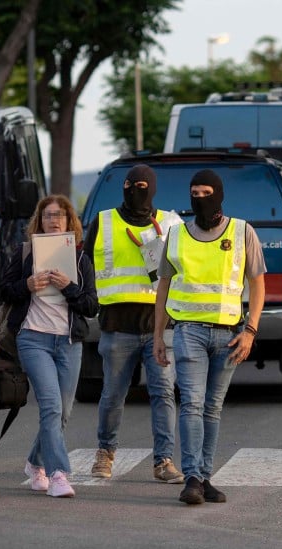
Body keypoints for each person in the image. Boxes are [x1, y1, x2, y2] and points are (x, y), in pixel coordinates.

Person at [153, 169, 266, 505]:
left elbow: (258, 283)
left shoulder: (243, 231)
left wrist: (251, 331)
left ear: (219, 194)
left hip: (231, 335)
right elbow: (163, 286)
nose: (199, 198)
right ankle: (191, 478)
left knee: (213, 409)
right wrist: (158, 335)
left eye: (205, 192)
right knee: (192, 403)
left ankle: (204, 476)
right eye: (194, 192)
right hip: (189, 332)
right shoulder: (175, 235)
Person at [84, 164, 184, 483]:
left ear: (152, 189)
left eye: (143, 186)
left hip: (160, 327)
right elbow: (83, 266)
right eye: (131, 186)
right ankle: (105, 452)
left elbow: (185, 271)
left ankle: (164, 461)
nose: (136, 192)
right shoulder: (103, 222)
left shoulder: (171, 224)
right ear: (123, 188)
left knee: (164, 394)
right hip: (117, 327)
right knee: (113, 394)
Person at [0, 195, 99, 497]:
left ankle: (34, 463)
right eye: (47, 216)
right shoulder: (25, 252)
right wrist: (26, 286)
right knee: (51, 406)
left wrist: (70, 287)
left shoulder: (81, 260)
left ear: (70, 221)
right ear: (39, 221)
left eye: (59, 215)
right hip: (33, 337)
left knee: (63, 412)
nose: (53, 220)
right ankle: (59, 474)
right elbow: (4, 289)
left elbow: (92, 306)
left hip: (68, 342)